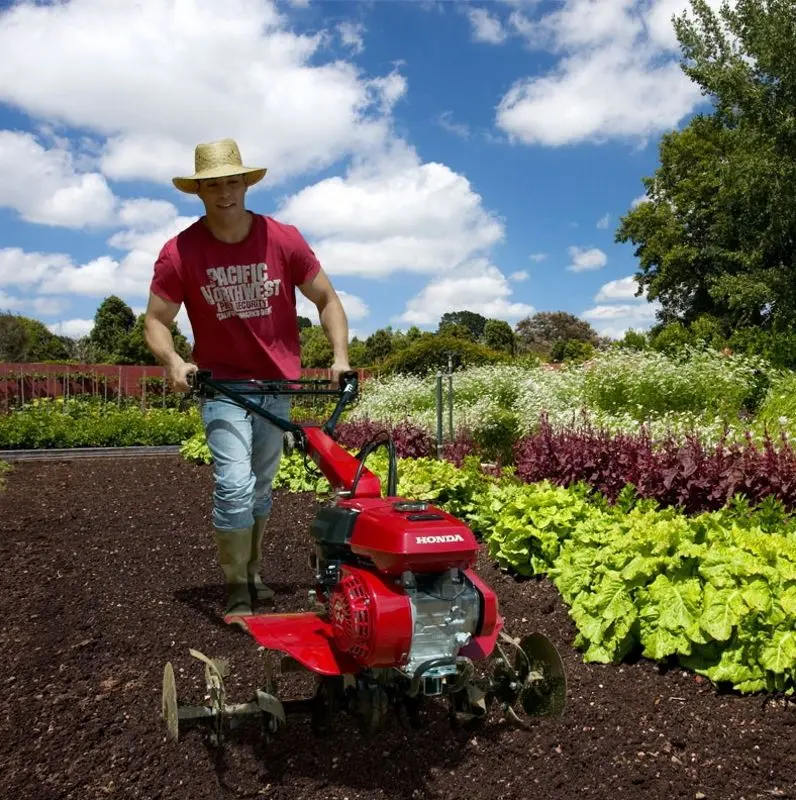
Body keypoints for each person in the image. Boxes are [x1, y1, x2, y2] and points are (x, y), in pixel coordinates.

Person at [143, 138, 350, 627]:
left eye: (232, 181)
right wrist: (173, 361)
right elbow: (155, 319)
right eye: (213, 184)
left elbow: (327, 300)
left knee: (260, 489)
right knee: (234, 485)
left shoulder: (283, 239)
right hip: (222, 389)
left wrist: (340, 357)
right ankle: (236, 588)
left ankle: (254, 574)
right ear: (199, 191)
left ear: (245, 183)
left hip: (275, 386)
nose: (224, 193)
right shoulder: (181, 252)